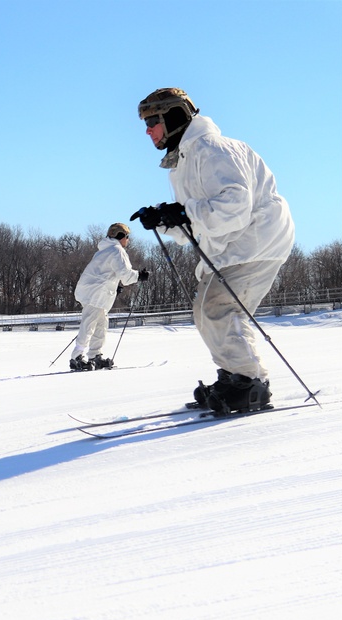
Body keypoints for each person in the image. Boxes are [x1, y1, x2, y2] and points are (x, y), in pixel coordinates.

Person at [131, 87, 294, 413]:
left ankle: (248, 383)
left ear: (173, 117)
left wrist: (183, 212)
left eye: (152, 121)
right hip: (232, 246)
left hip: (256, 240)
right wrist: (164, 219)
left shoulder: (213, 149)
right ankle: (239, 377)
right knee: (209, 310)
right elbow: (196, 222)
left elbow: (234, 206)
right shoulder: (182, 163)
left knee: (216, 307)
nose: (147, 130)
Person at [70, 223, 149, 371]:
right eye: (127, 237)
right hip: (94, 293)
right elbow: (125, 275)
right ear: (121, 236)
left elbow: (107, 273)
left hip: (96, 292)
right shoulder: (117, 251)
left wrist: (115, 286)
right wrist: (139, 276)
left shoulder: (105, 250)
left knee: (101, 324)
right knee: (89, 324)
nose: (128, 240)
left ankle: (95, 355)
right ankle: (77, 357)